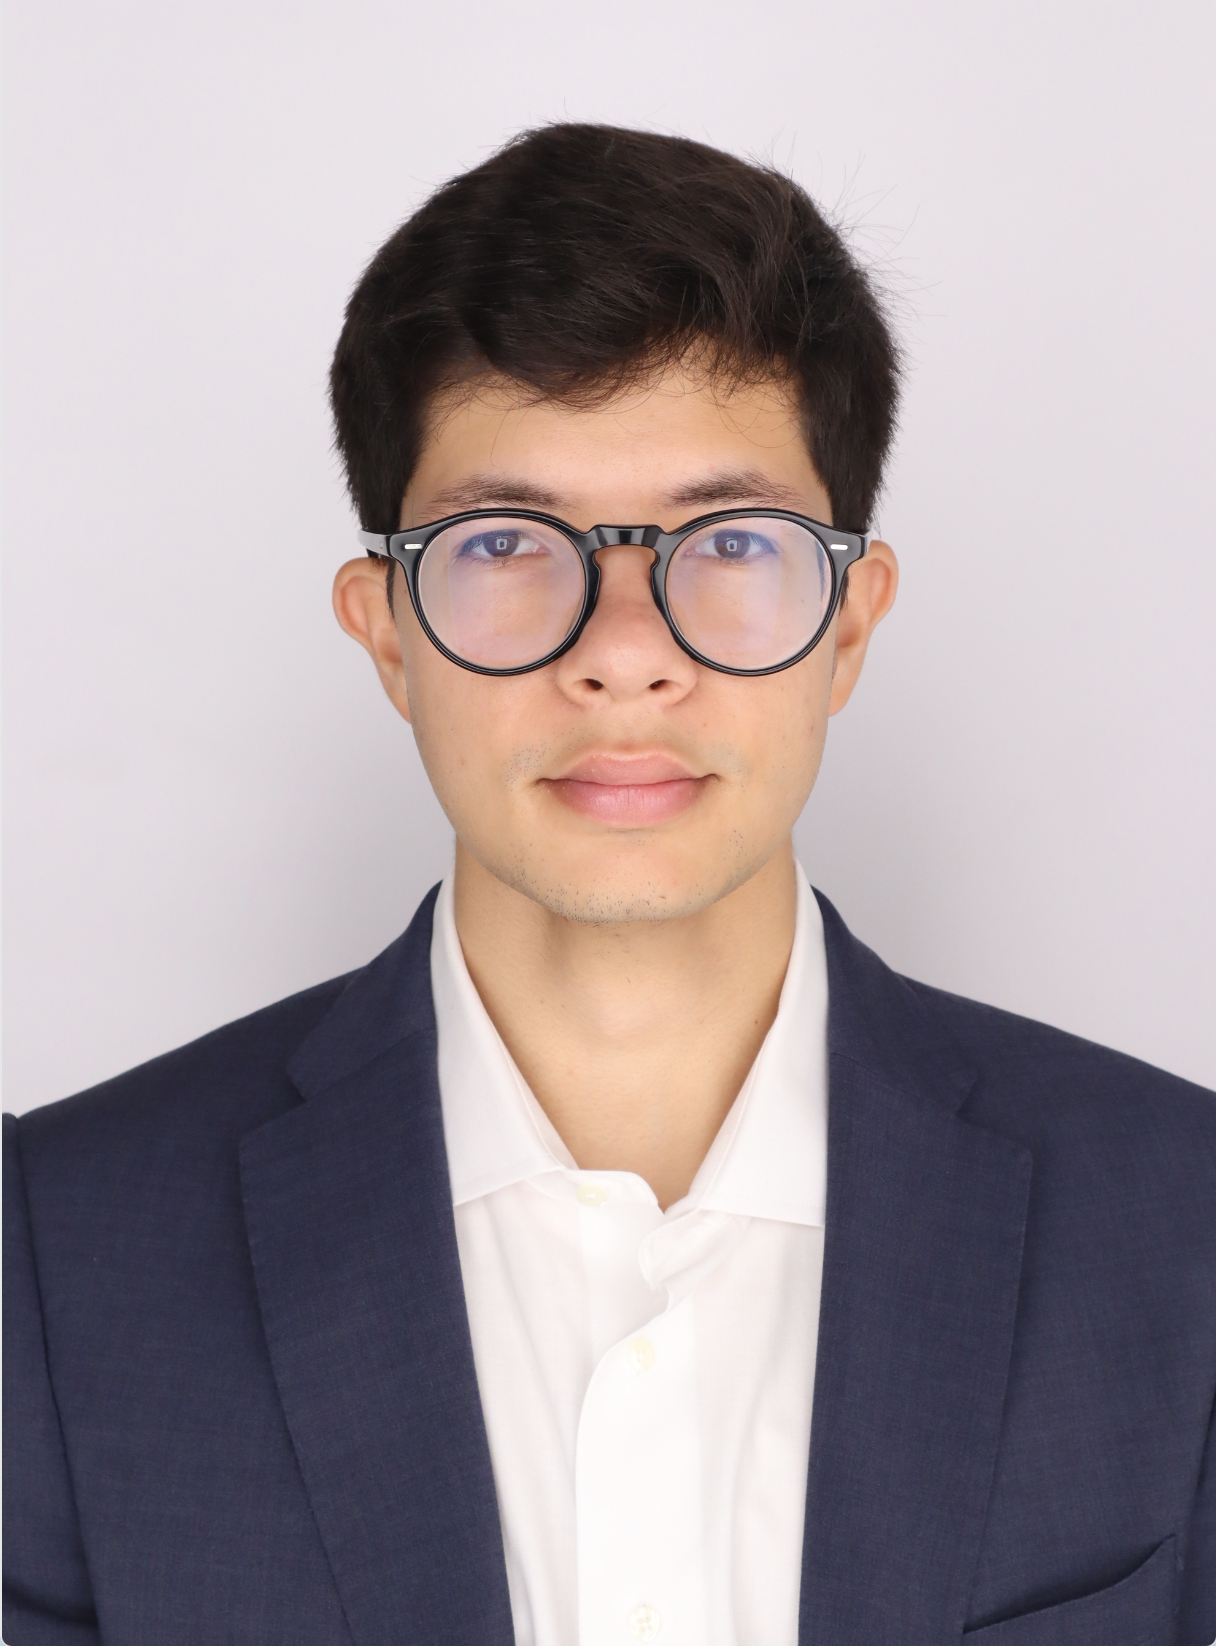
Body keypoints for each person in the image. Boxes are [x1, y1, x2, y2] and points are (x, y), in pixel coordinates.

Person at [4, 123, 1213, 1646]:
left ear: (849, 624)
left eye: (732, 541)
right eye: (508, 539)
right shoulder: (49, 1251)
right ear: (385, 631)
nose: (624, 647)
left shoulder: (1181, 1222)